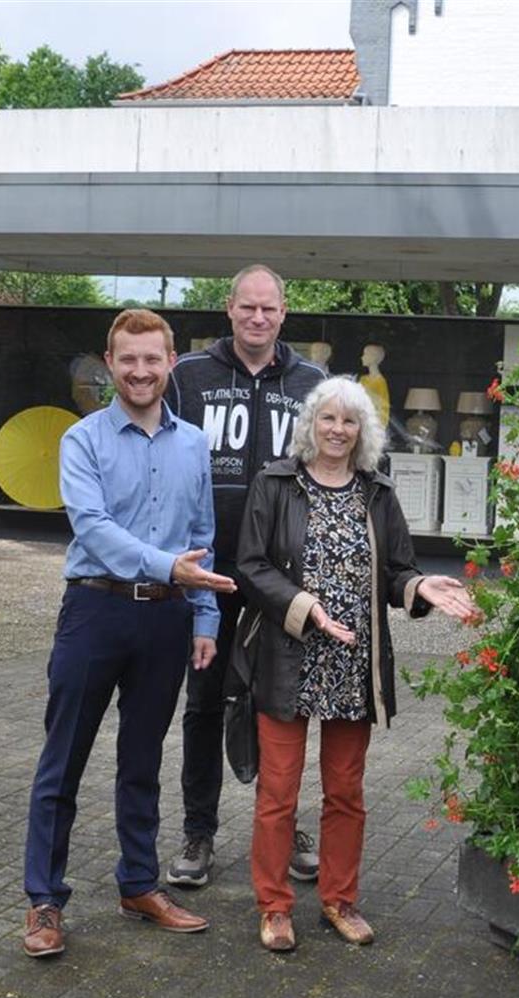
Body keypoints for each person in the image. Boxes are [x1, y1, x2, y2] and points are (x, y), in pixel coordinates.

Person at [234, 377, 479, 952]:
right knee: (278, 794)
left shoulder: (377, 492)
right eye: (328, 419)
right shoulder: (274, 484)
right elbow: (250, 566)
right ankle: (274, 907)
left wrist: (420, 584)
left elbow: (397, 571)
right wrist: (305, 606)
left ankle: (340, 900)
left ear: (362, 432)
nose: (338, 430)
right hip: (288, 659)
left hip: (352, 664)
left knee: (345, 792)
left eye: (349, 421)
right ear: (310, 426)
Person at [22, 308, 238, 958]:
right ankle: (44, 900)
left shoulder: (194, 443)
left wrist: (204, 616)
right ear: (110, 364)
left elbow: (204, 537)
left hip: (168, 619)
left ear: (171, 363)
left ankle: (139, 883)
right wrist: (166, 566)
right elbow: (91, 528)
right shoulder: (82, 440)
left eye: (152, 359)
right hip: (95, 611)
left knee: (142, 763)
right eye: (128, 359)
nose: (141, 371)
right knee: (62, 763)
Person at [163, 265, 328, 889]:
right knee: (204, 704)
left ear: (284, 313)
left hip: (282, 583)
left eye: (269, 309)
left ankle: (282, 829)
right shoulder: (188, 379)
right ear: (229, 309)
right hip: (207, 576)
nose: (258, 318)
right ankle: (198, 833)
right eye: (247, 308)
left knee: (280, 707)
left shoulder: (312, 384)